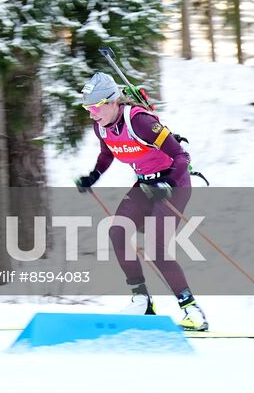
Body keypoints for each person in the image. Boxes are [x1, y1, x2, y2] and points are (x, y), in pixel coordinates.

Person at [74, 71, 208, 332]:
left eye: (94, 107)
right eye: (86, 108)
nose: (91, 114)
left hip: (175, 184)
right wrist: (93, 176)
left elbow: (181, 157)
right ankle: (142, 301)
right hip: (146, 183)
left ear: (113, 102)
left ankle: (192, 310)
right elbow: (107, 153)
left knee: (156, 248)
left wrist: (167, 181)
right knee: (117, 231)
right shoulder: (101, 125)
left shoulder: (141, 122)